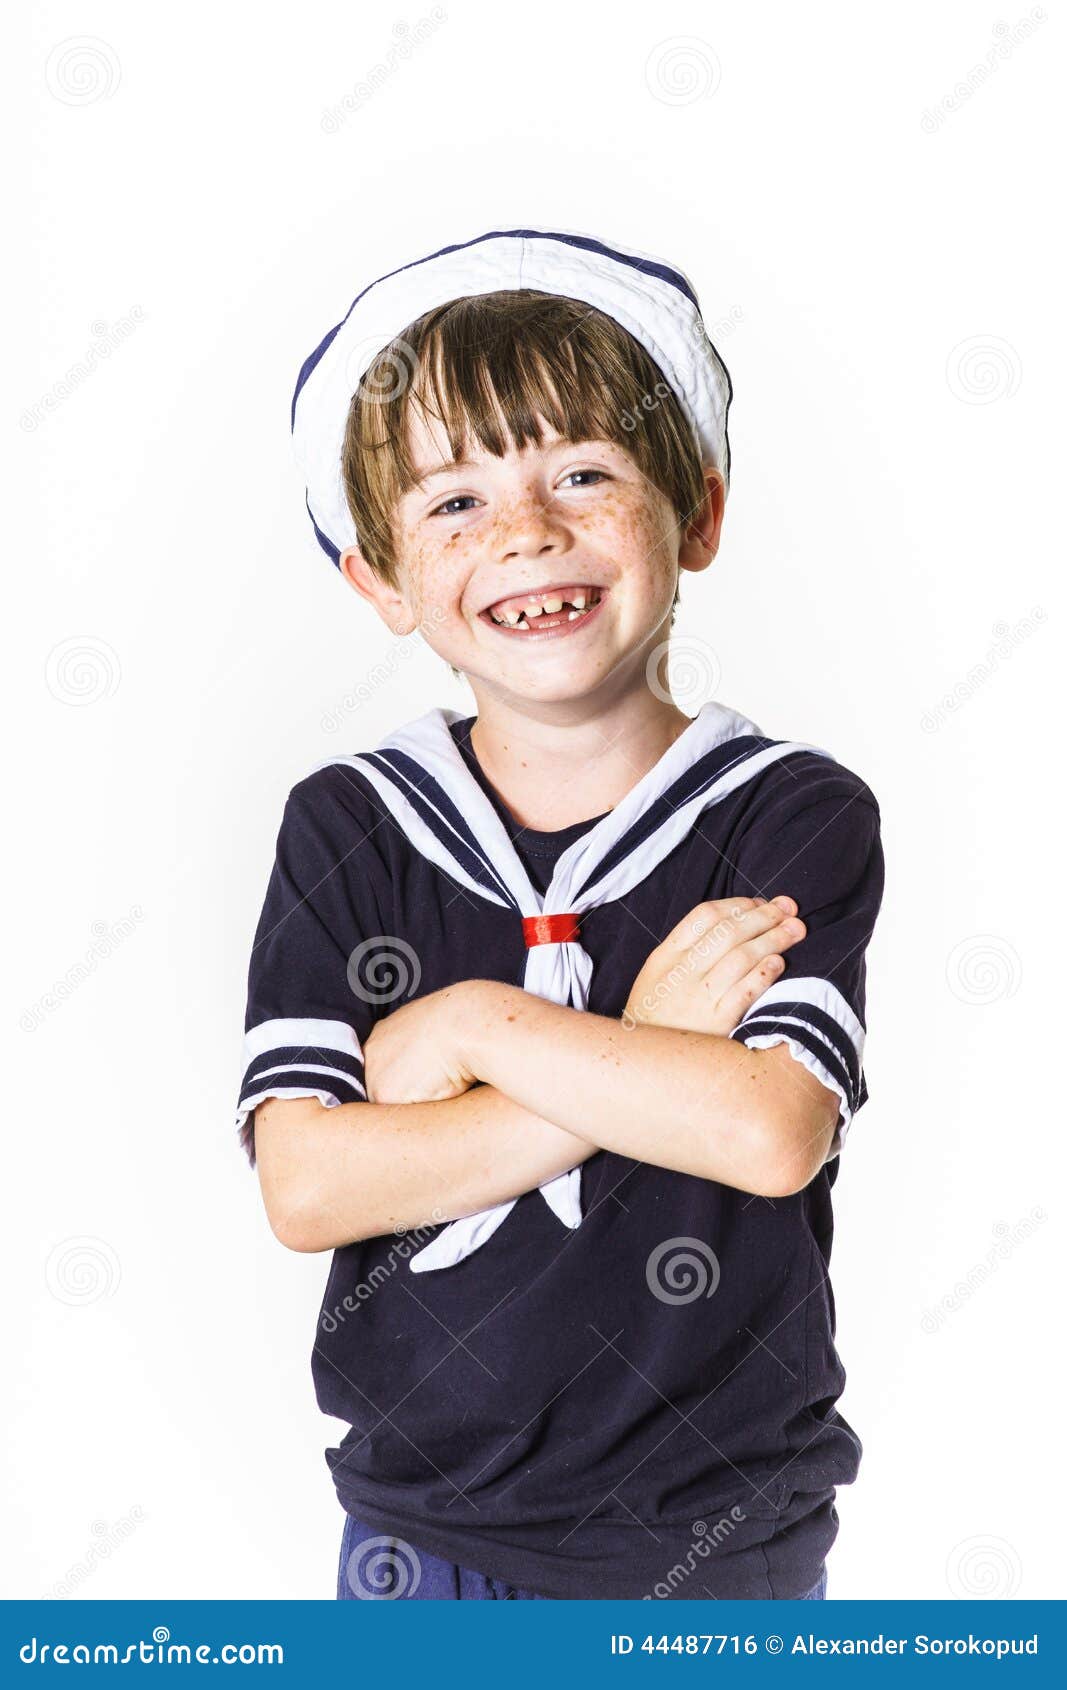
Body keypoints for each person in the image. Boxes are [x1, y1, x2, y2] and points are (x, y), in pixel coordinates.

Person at [235, 227, 885, 1602]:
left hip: (724, 1536)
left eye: (583, 474)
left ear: (696, 513)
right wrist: (639, 1047)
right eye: (452, 502)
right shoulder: (349, 827)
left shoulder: (786, 812)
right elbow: (309, 1183)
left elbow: (767, 1129)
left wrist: (468, 1030)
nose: (526, 531)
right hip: (424, 1534)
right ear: (380, 578)